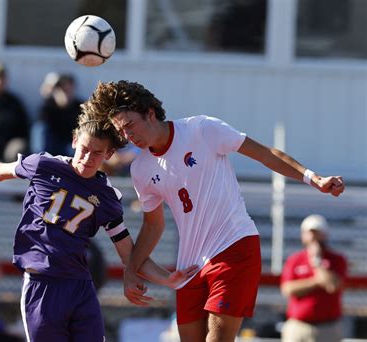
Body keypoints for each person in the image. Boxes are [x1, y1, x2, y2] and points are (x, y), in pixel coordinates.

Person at [81, 80, 345, 342]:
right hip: (191, 265)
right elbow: (153, 225)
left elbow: (265, 154)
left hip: (234, 247)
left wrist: (314, 178)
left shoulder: (202, 129)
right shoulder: (141, 170)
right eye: (121, 131)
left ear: (150, 113)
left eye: (129, 125)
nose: (128, 136)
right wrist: (131, 271)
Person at [0, 111, 198, 342]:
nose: (87, 159)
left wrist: (165, 278)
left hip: (80, 286)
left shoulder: (107, 198)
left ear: (109, 155)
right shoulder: (44, 166)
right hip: (43, 284)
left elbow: (128, 253)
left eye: (97, 153)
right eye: (84, 149)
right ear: (74, 140)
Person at [280, 214, 347, 342]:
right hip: (298, 326)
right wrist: (317, 281)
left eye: (317, 233)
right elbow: (288, 289)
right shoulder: (295, 260)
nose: (313, 237)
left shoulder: (337, 259)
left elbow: (333, 286)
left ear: (324, 235)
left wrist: (316, 261)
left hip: (328, 327)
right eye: (309, 233)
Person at [31, 73, 82, 156]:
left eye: (69, 89)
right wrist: (48, 93)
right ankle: (40, 160)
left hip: (70, 145)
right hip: (51, 144)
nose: (66, 93)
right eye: (63, 89)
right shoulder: (48, 105)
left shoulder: (80, 106)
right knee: (40, 127)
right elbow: (41, 123)